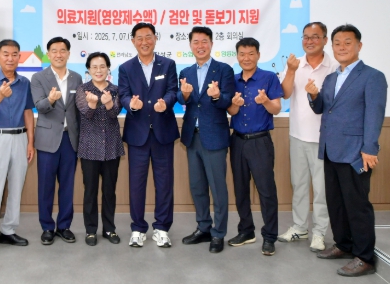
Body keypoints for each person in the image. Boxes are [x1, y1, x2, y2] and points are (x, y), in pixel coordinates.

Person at [308, 24, 387, 277]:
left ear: (359, 46)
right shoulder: (331, 77)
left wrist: (369, 148)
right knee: (336, 203)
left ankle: (364, 257)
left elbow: (374, 115)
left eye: (347, 42)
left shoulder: (372, 77)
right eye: (337, 43)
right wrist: (313, 96)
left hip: (355, 152)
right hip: (331, 149)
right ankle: (343, 244)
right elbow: (323, 109)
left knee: (357, 205)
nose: (342, 47)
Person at [118, 22, 179, 248]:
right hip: (138, 134)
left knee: (164, 183)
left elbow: (172, 90)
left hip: (163, 132)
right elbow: (123, 94)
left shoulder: (168, 64)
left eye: (148, 37)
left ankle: (162, 228)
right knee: (136, 184)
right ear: (133, 41)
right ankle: (138, 228)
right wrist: (130, 104)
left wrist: (167, 103)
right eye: (140, 38)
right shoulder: (126, 68)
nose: (144, 42)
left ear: (155, 38)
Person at [278, 22, 338, 252]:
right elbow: (285, 94)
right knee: (299, 184)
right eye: (306, 37)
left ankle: (319, 232)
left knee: (321, 189)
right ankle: (300, 227)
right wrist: (291, 70)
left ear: (325, 40)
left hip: (324, 139)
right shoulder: (295, 64)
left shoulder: (334, 67)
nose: (309, 41)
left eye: (315, 37)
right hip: (297, 135)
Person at [177, 27, 235, 254]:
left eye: (204, 41)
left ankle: (218, 233)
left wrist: (218, 96)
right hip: (193, 137)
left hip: (215, 137)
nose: (200, 46)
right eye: (196, 42)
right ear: (190, 45)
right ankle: (203, 228)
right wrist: (185, 94)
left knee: (218, 188)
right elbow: (182, 98)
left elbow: (229, 100)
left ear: (211, 44)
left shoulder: (224, 70)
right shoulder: (186, 71)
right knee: (197, 186)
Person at [227, 37, 283, 256]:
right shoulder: (232, 80)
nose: (246, 58)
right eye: (242, 54)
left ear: (258, 55)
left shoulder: (269, 77)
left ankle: (269, 236)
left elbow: (276, 108)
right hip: (237, 140)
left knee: (266, 191)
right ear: (237, 56)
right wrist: (234, 105)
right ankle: (246, 231)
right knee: (240, 189)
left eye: (251, 53)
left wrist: (265, 101)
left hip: (260, 141)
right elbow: (231, 111)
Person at [0, 39, 35, 257]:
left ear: (19, 57)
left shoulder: (24, 83)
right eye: (5, 54)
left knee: (16, 186)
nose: (10, 58)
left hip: (20, 137)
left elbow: (28, 112)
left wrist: (30, 142)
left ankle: (8, 231)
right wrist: (1, 94)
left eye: (14, 54)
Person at [31, 37, 82, 245]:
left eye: (62, 50)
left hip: (70, 139)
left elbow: (78, 109)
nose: (58, 54)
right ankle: (46, 227)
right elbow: (39, 106)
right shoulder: (38, 78)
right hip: (47, 139)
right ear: (48, 54)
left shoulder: (77, 78)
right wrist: (50, 100)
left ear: (68, 53)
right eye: (54, 50)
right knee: (46, 186)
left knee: (67, 185)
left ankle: (64, 226)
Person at [76, 52, 124, 246]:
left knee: (109, 190)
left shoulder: (115, 89)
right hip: (89, 147)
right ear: (88, 70)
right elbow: (86, 113)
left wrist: (109, 103)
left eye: (102, 66)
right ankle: (90, 230)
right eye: (94, 67)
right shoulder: (82, 89)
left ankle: (109, 229)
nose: (98, 70)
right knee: (90, 191)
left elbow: (115, 113)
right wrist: (92, 104)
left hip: (111, 147)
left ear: (108, 69)